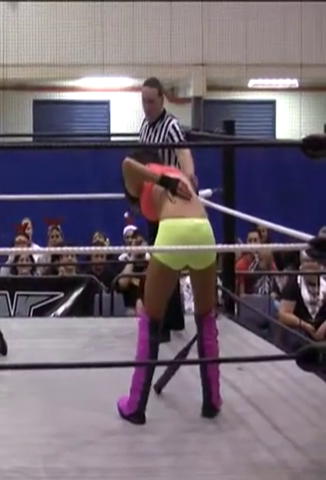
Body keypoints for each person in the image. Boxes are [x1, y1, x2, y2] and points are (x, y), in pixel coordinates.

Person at [117, 150, 221, 425]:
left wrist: (162, 181)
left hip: (174, 232)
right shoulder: (178, 173)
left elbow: (127, 165)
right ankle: (212, 400)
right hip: (204, 230)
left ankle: (136, 405)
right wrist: (188, 175)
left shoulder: (143, 177)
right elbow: (184, 149)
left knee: (150, 318)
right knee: (206, 318)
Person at [139, 77, 197, 340]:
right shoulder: (145, 126)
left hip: (169, 202)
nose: (147, 106)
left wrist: (189, 178)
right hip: (152, 200)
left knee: (163, 260)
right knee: (162, 259)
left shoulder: (171, 126)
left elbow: (183, 152)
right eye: (144, 101)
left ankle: (162, 322)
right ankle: (173, 319)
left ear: (162, 99)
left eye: (151, 101)